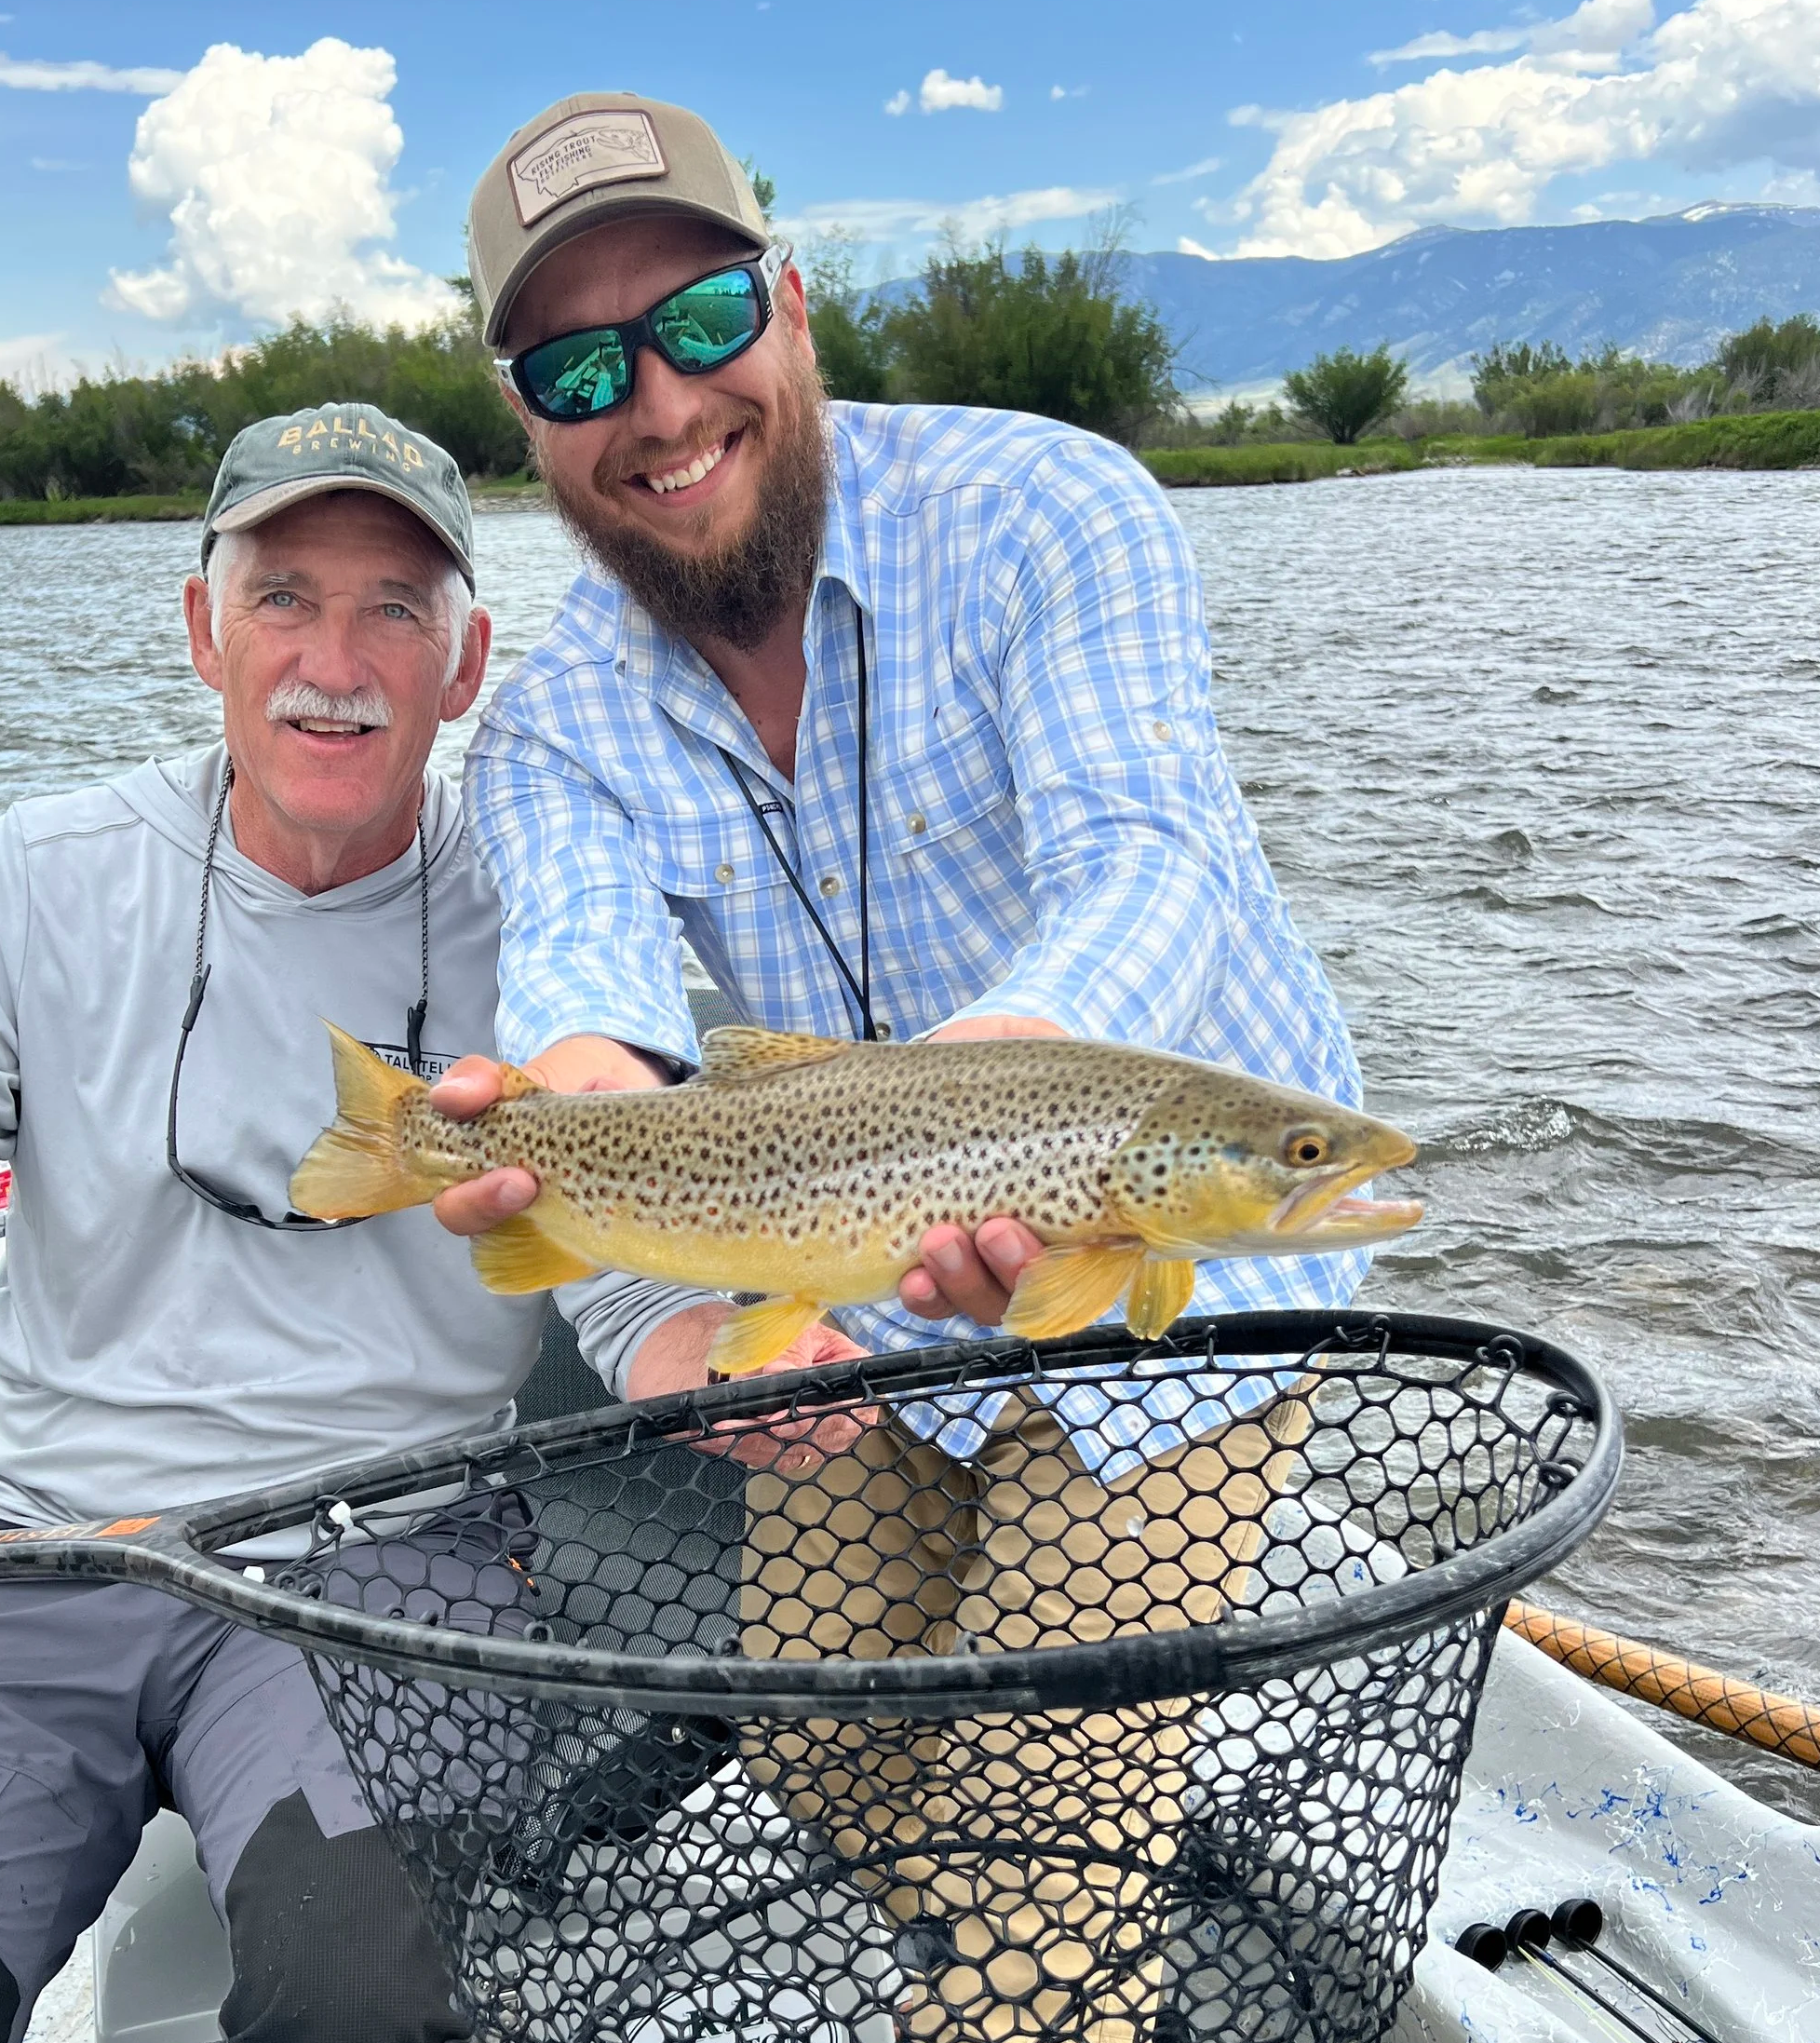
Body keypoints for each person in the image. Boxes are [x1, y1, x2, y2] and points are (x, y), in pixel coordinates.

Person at [0, 402, 818, 2043]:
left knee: (365, 2005)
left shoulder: (560, 908)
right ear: (205, 627)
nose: (330, 660)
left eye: (393, 610)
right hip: (27, 1542)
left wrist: (742, 1373)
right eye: (284, 596)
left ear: (467, 663)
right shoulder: (41, 873)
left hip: (389, 1552)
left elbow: (625, 1280)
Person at [428, 93, 1382, 2041]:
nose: (658, 403)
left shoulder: (1047, 508)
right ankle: (1037, 1954)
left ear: (788, 299)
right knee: (811, 1701)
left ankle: (1043, 1967)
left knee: (1037, 1847)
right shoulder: (544, 732)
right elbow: (586, 992)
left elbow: (1149, 850)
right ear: (527, 422)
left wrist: (1003, 1095)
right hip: (873, 1298)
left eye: (695, 320)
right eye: (578, 365)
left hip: (1175, 1268)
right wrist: (581, 1120)